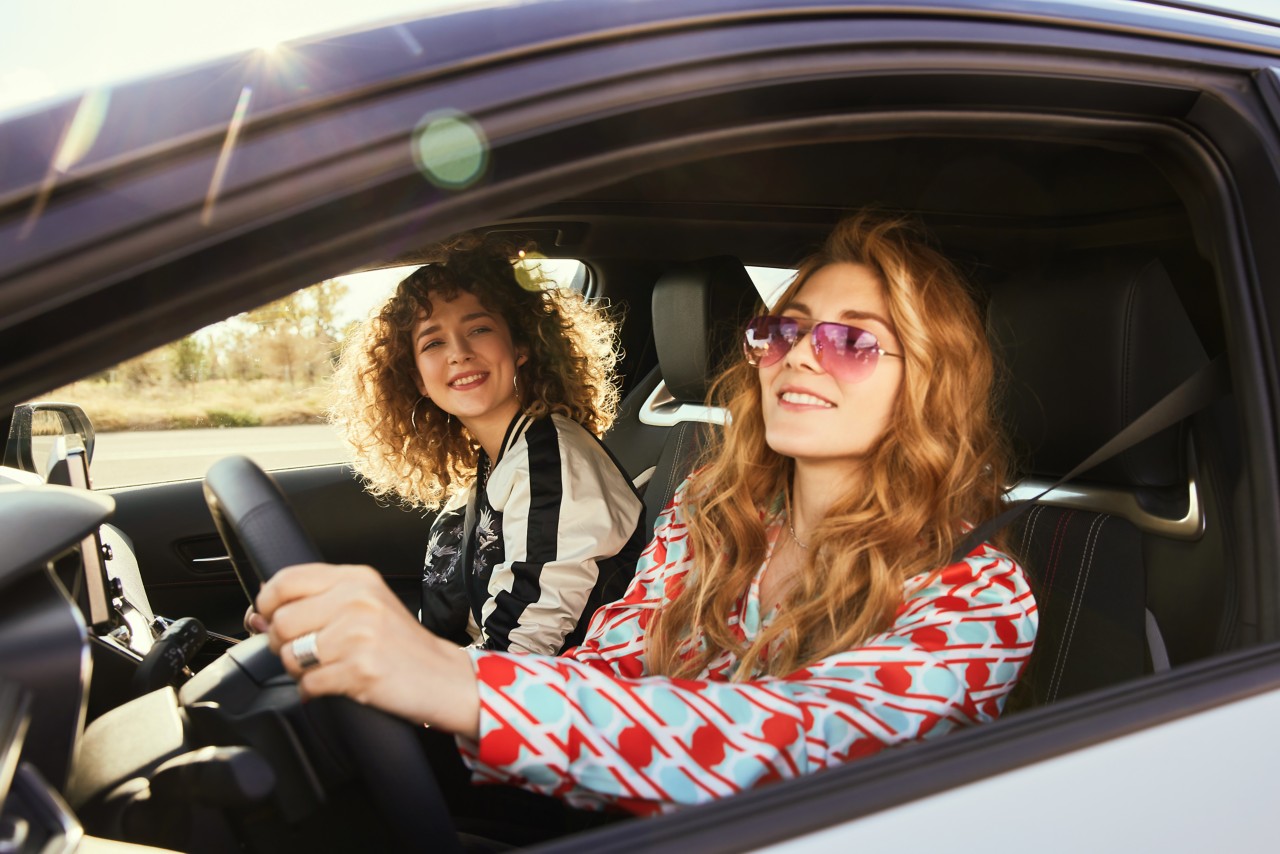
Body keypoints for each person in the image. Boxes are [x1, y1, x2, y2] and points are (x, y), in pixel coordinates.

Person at [255, 213, 1039, 818]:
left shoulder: (979, 597)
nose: (799, 354)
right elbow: (607, 669)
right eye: (785, 329)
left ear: (930, 385)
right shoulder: (713, 511)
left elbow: (794, 743)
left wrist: (462, 684)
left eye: (852, 342)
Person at [323, 237, 647, 656]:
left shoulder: (550, 463)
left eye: (478, 329)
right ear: (418, 379)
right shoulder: (498, 460)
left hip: (558, 703)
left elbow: (519, 654)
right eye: (433, 342)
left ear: (522, 346)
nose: (459, 353)